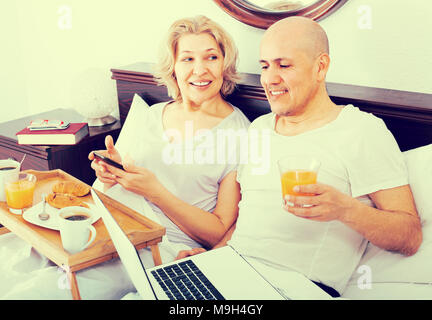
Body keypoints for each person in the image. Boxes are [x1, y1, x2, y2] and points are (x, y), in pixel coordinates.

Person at [0, 15, 250, 299]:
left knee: (38, 293)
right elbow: (128, 176)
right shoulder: (155, 114)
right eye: (188, 59)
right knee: (13, 265)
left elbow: (218, 231)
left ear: (225, 64)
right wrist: (111, 171)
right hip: (101, 221)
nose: (200, 70)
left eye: (211, 57)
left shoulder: (239, 133)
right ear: (174, 67)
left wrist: (156, 192)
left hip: (151, 244)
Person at [177, 16, 423, 298]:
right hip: (236, 273)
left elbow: (410, 235)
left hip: (295, 287)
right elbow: (248, 225)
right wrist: (209, 262)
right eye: (265, 66)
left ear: (320, 67)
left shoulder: (361, 130)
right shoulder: (258, 130)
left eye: (284, 65)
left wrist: (346, 209)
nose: (270, 78)